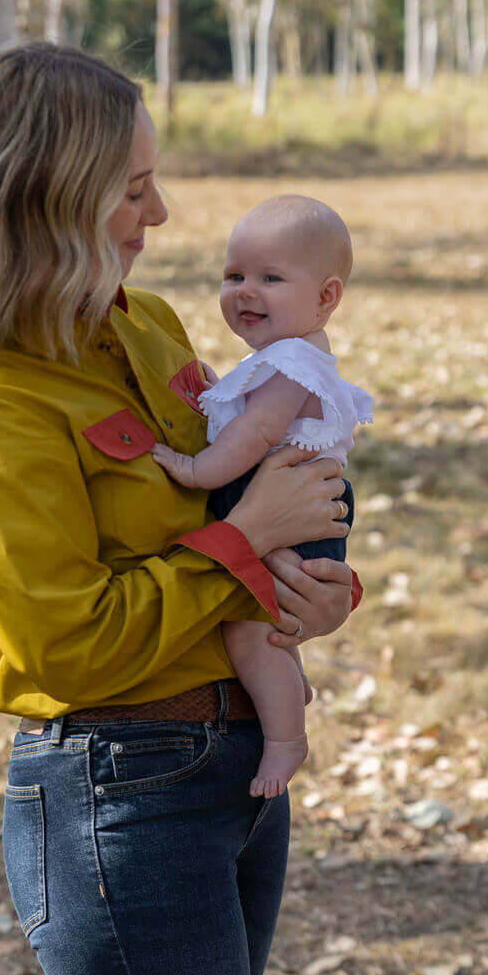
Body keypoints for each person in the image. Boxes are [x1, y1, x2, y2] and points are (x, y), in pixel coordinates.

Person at [0, 42, 356, 975]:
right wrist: (240, 541)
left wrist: (306, 584)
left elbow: (250, 502)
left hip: (224, 767)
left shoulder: (149, 323)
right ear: (47, 189)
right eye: (132, 187)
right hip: (116, 795)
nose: (160, 215)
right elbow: (65, 635)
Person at [153, 194, 372, 798]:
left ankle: (285, 739)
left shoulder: (290, 364)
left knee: (252, 630)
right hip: (286, 502)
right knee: (261, 623)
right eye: (234, 275)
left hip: (285, 506)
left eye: (270, 278)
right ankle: (284, 684)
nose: (246, 291)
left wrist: (196, 470)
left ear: (326, 297)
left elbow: (259, 432)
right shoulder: (286, 355)